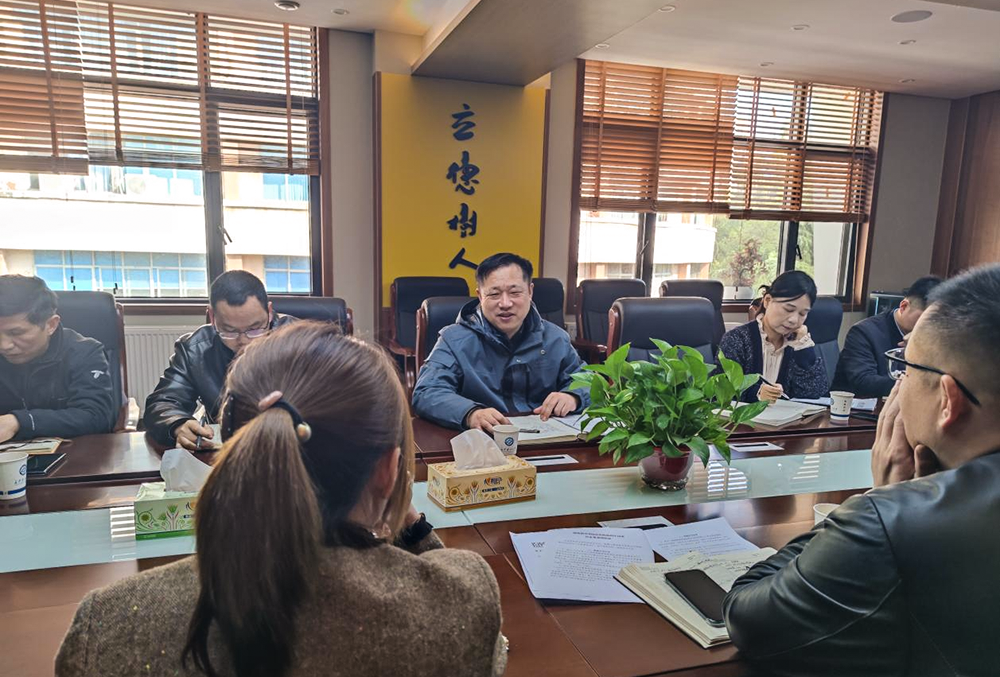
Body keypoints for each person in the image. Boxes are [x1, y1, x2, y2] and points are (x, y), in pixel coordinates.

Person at [56, 322, 507, 677]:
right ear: (388, 472)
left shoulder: (109, 620)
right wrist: (417, 531)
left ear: (238, 452)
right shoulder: (460, 599)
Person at [723, 264, 1000, 677]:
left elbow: (748, 617)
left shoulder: (888, 522)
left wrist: (885, 502)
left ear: (948, 400)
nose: (898, 385)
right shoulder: (739, 339)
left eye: (905, 370)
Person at [411, 252, 588, 432]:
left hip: (548, 437)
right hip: (484, 439)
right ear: (480, 296)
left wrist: (573, 396)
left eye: (515, 292)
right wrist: (470, 413)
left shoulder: (555, 338)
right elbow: (427, 393)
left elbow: (589, 381)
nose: (505, 303)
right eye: (494, 294)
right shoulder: (454, 340)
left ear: (530, 292)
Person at [143, 270, 294, 450]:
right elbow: (162, 403)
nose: (244, 341)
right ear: (212, 317)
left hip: (293, 447)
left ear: (269, 312)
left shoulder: (300, 341)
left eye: (255, 329)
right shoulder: (195, 349)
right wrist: (178, 424)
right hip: (224, 451)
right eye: (230, 331)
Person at [0, 275, 116, 442]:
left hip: (74, 453)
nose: (4, 345)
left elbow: (95, 418)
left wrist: (19, 422)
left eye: (16, 333)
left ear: (50, 325)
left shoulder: (85, 352)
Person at [719, 270, 828, 403]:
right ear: (767, 301)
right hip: (745, 416)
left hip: (789, 416)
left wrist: (804, 349)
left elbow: (815, 392)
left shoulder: (797, 343)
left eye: (802, 314)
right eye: (788, 309)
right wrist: (757, 393)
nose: (794, 320)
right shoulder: (737, 339)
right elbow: (720, 392)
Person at [832, 275, 942, 397]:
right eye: (925, 318)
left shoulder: (935, 337)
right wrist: (917, 383)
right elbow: (863, 382)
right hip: (859, 405)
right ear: (904, 306)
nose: (930, 325)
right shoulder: (864, 332)